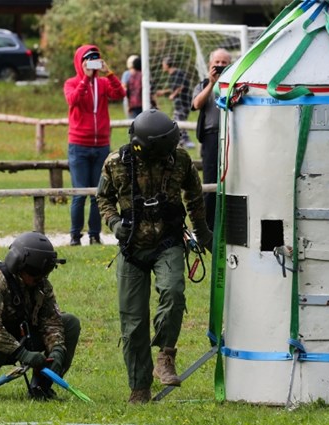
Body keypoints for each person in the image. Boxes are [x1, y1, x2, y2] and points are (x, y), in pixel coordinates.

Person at [96, 109, 212, 404]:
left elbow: (195, 199)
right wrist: (113, 223)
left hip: (169, 242)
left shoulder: (181, 161)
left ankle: (165, 354)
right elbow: (103, 198)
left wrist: (204, 235)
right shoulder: (115, 163)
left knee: (173, 292)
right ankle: (139, 387)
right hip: (131, 248)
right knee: (133, 324)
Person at [0, 232, 81, 400]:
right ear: (20, 268)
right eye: (35, 275)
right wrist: (23, 354)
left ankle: (41, 387)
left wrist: (57, 349)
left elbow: (51, 319)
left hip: (21, 335)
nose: (41, 279)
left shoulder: (41, 284)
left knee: (70, 323)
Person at [64, 44, 126, 246]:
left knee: (97, 194)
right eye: (87, 59)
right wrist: (85, 78)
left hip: (101, 146)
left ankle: (94, 235)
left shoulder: (103, 83)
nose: (91, 63)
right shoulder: (72, 82)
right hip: (79, 145)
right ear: (79, 62)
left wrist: (109, 73)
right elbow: (73, 100)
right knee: (79, 193)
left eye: (95, 59)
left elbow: (120, 93)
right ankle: (75, 236)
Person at [191, 48, 232, 230]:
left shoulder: (235, 83)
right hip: (211, 137)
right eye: (217, 63)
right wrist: (211, 83)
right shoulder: (202, 84)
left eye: (224, 63)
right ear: (210, 65)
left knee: (231, 180)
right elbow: (196, 104)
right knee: (210, 180)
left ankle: (228, 223)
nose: (221, 66)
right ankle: (207, 227)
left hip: (232, 136)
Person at [155, 57, 194, 149]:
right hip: (179, 103)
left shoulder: (177, 73)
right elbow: (175, 87)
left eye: (163, 64)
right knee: (177, 122)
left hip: (183, 103)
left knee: (178, 122)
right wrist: (164, 92)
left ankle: (187, 142)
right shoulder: (172, 75)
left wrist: (173, 95)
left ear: (167, 65)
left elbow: (181, 86)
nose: (162, 66)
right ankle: (182, 141)